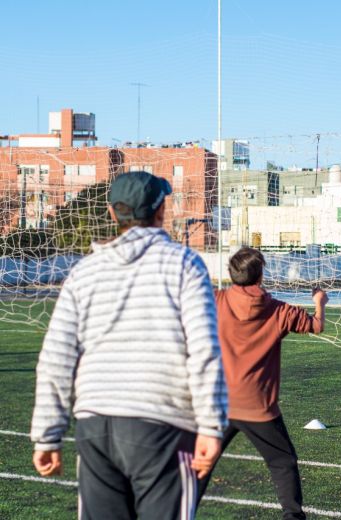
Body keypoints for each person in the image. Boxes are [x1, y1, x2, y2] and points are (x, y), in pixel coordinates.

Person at [30, 171, 227, 519]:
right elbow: (204, 351)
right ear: (161, 210)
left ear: (111, 212)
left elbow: (56, 358)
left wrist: (47, 435)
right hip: (162, 425)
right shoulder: (184, 264)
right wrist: (212, 426)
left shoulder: (84, 272)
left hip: (95, 427)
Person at [200, 247, 328, 519]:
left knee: (200, 465)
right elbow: (316, 326)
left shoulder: (216, 300)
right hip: (258, 406)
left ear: (231, 275)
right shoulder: (279, 310)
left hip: (219, 403)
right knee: (283, 462)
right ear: (260, 276)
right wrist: (320, 301)